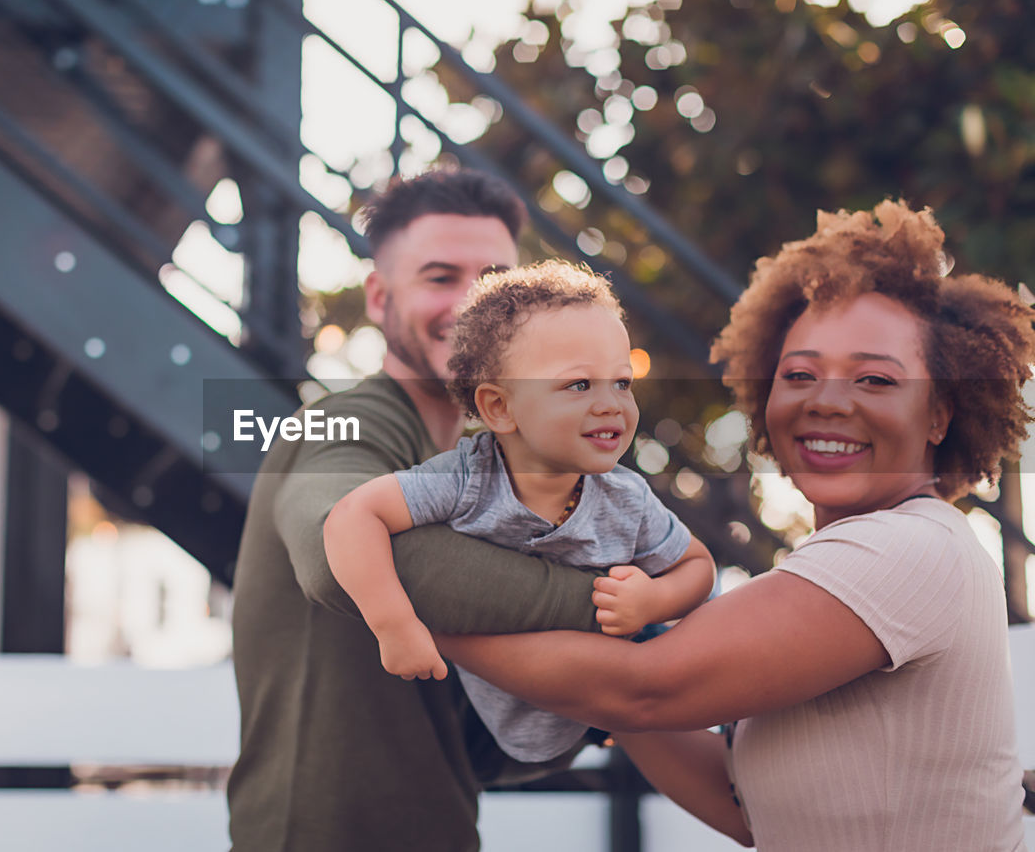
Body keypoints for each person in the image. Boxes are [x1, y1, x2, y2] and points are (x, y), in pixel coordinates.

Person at [435, 200, 1033, 851]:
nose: (827, 399)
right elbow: (746, 805)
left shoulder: (911, 547)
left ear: (940, 413)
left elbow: (649, 690)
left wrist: (424, 606)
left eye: (875, 378)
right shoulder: (837, 564)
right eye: (799, 373)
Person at [227, 170, 617, 852]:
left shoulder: (484, 465)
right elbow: (332, 549)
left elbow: (469, 738)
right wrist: (613, 607)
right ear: (379, 297)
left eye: (495, 281)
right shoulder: (336, 425)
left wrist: (601, 699)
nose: (472, 305)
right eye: (440, 277)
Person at [323, 260, 714, 762]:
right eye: (579, 385)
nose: (612, 404)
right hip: (494, 719)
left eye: (622, 383)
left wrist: (652, 603)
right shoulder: (466, 479)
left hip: (614, 698)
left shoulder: (626, 498)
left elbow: (697, 566)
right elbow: (352, 516)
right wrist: (394, 625)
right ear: (500, 408)